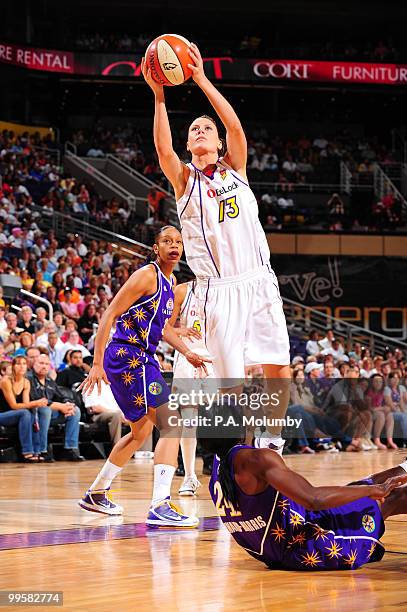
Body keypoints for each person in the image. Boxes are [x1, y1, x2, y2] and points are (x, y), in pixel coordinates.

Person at [142, 44, 290, 453]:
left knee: (279, 364)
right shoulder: (184, 180)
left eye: (207, 128)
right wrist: (159, 95)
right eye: (194, 130)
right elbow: (163, 150)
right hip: (218, 291)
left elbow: (237, 128)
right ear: (189, 145)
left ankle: (273, 443)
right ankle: (236, 456)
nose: (200, 131)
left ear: (220, 142)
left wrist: (202, 79)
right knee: (230, 386)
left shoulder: (236, 169)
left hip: (258, 279)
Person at [78, 226, 210, 527]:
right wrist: (96, 362)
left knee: (139, 433)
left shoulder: (171, 282)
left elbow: (163, 330)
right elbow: (109, 314)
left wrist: (187, 352)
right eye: (167, 241)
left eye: (178, 241)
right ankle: (160, 504)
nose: (174, 246)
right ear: (156, 247)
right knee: (171, 423)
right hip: (128, 357)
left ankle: (96, 493)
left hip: (143, 358)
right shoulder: (147, 275)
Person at [199, 403, 407, 571]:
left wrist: (368, 488)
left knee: (357, 488)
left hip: (273, 552)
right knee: (390, 497)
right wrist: (374, 491)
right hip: (308, 546)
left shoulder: (219, 469)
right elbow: (313, 499)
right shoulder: (256, 459)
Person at [167, 279, 216, 495]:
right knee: (189, 421)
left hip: (215, 359)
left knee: (221, 422)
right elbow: (164, 327)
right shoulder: (182, 290)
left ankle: (222, 473)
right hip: (188, 357)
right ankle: (189, 477)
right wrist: (180, 330)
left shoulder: (225, 289)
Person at [29, 353, 84, 461]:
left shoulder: (50, 381)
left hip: (51, 414)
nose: (44, 366)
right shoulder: (29, 379)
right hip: (34, 414)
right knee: (45, 410)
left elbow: (61, 396)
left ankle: (70, 449)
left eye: (46, 364)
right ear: (34, 364)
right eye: (40, 363)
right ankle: (42, 450)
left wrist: (67, 403)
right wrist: (59, 406)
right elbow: (35, 399)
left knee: (75, 410)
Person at [0, 356, 49, 462]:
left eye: (24, 364)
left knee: (31, 412)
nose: (21, 366)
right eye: (18, 364)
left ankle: (37, 451)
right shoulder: (6, 381)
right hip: (2, 414)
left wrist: (36, 404)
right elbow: (13, 405)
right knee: (25, 413)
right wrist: (36, 402)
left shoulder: (26, 382)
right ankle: (27, 452)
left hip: (16, 414)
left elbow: (26, 404)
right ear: (13, 366)